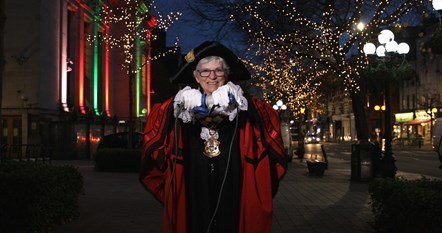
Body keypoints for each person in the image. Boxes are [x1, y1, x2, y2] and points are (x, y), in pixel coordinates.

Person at [139, 41, 287, 233]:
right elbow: (156, 127)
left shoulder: (243, 105)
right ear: (195, 76)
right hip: (192, 191)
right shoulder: (181, 106)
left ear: (227, 74)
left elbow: (269, 121)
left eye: (218, 70)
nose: (212, 76)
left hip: (236, 189)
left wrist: (246, 104)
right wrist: (172, 108)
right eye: (205, 71)